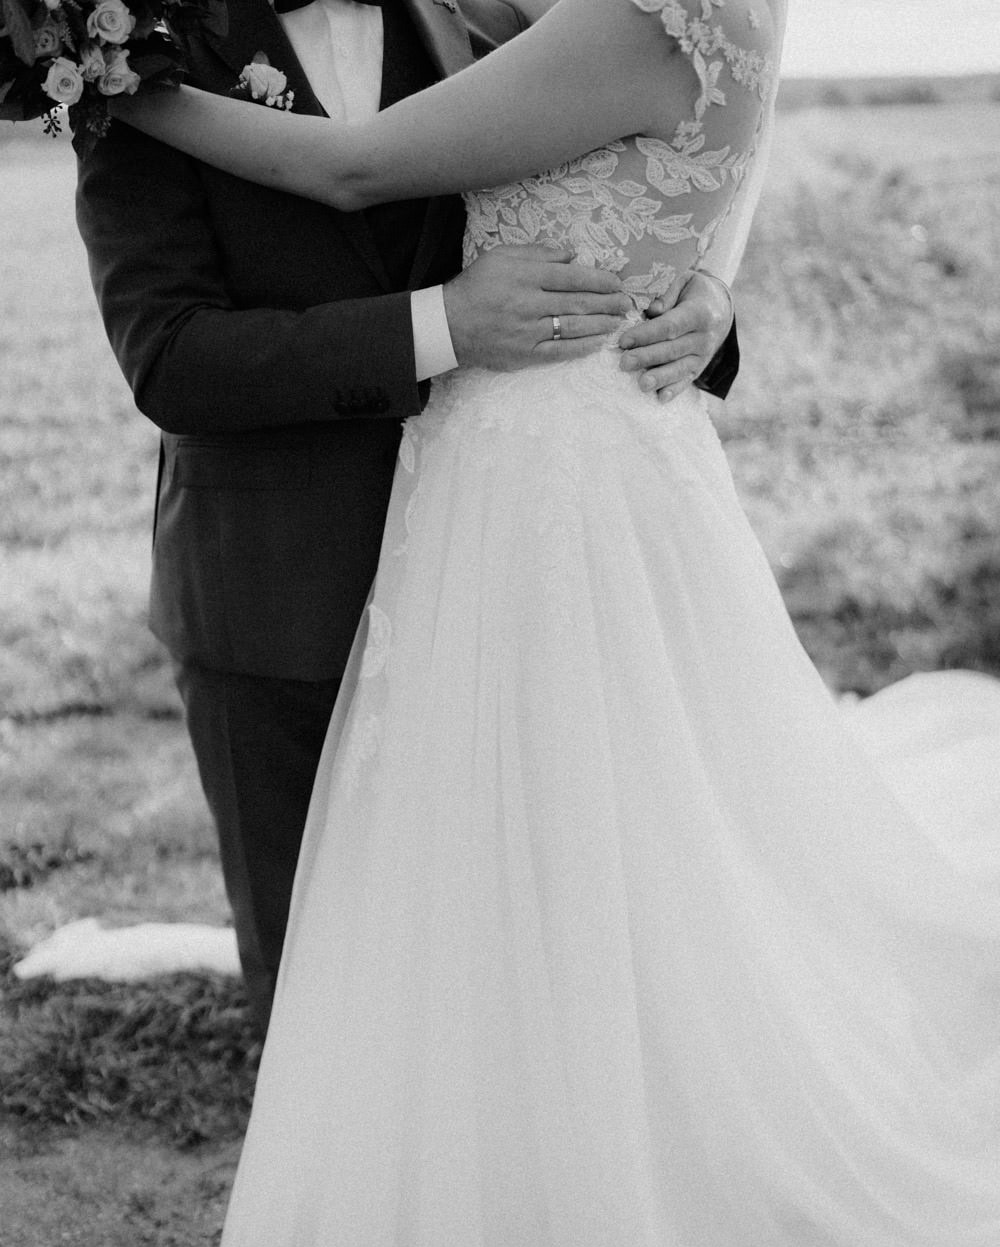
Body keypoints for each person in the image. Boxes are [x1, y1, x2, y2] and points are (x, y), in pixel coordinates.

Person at [114, 0, 1000, 1247]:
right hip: (383, 527)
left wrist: (101, 85)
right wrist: (688, 285)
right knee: (444, 902)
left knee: (597, 864)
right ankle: (462, 1235)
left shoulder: (633, 21)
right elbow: (173, 349)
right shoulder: (526, 14)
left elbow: (362, 170)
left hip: (545, 489)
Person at [74, 0, 737, 1036]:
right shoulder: (132, 66)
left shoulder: (491, 21)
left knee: (518, 954)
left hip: (510, 579)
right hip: (277, 592)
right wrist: (442, 325)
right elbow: (173, 360)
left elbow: (638, 183)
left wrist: (710, 309)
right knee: (316, 992)